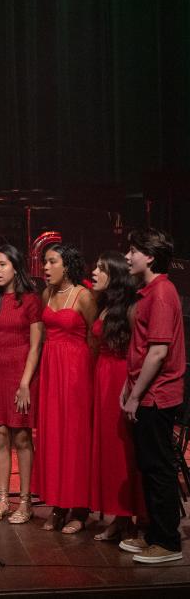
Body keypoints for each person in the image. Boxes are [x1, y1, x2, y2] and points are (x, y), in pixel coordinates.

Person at [120, 228, 185, 564]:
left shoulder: (161, 292)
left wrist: (136, 395)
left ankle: (168, 543)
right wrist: (129, 385)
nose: (127, 256)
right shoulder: (149, 291)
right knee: (149, 465)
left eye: (133, 251)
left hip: (157, 396)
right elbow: (142, 347)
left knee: (159, 468)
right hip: (147, 392)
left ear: (149, 255)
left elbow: (158, 352)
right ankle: (155, 535)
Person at [0, 245, 43, 524]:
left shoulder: (31, 300)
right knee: (0, 436)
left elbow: (35, 346)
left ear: (16, 266)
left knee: (22, 437)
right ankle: (3, 500)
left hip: (21, 374)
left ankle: (25, 502)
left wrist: (25, 383)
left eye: (2, 264)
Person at [34, 243, 96, 533]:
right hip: (51, 371)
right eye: (44, 262)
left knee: (74, 438)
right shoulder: (46, 294)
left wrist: (89, 375)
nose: (45, 267)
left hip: (76, 373)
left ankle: (80, 509)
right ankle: (59, 504)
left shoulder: (84, 295)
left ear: (67, 266)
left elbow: (95, 337)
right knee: (54, 436)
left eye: (52, 262)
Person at [88, 251, 142, 541]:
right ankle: (119, 518)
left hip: (120, 376)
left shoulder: (129, 308)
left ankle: (130, 516)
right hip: (103, 375)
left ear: (116, 275)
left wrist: (131, 387)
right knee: (109, 448)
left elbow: (138, 350)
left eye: (101, 268)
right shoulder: (104, 304)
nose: (94, 272)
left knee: (122, 449)